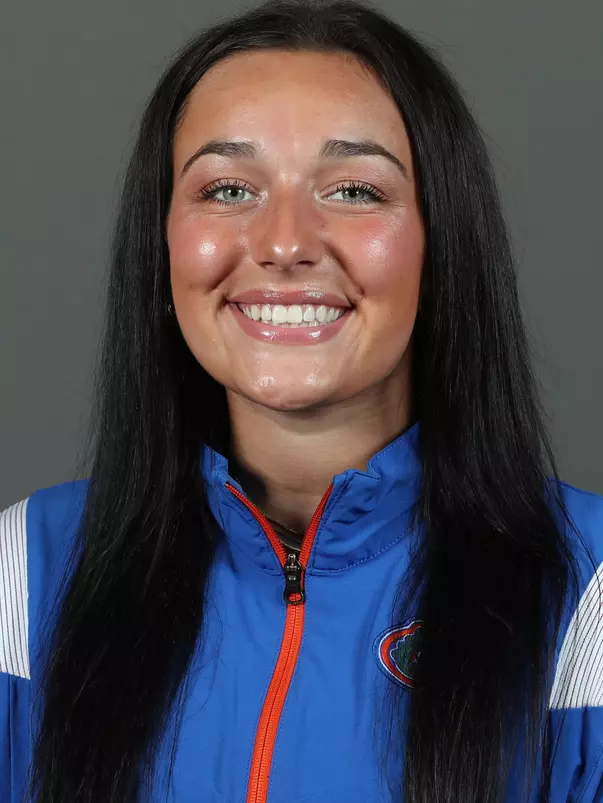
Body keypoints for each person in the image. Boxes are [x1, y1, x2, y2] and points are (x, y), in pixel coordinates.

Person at [1, 0, 601, 800]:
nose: (284, 243)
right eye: (226, 188)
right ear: (163, 243)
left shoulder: (587, 591)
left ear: (441, 243)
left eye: (353, 190)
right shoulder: (27, 573)